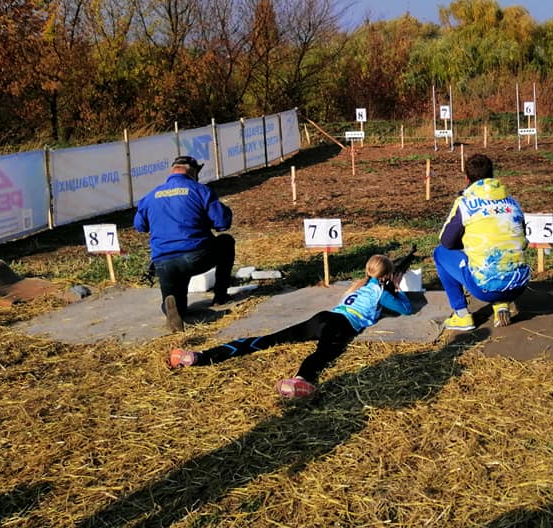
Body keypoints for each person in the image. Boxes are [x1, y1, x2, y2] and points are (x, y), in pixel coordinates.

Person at [167, 254, 413, 399]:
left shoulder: (358, 285)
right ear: (385, 276)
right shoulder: (381, 290)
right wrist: (397, 287)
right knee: (323, 354)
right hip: (343, 325)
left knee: (269, 339)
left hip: (324, 316)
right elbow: (406, 308)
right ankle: (299, 380)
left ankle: (199, 356)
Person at [133, 155, 235, 332]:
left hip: (163, 262)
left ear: (172, 171)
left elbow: (139, 226)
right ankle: (220, 297)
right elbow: (222, 224)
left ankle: (171, 310)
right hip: (196, 255)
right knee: (226, 242)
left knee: (177, 304)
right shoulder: (200, 190)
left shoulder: (150, 196)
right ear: (193, 172)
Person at [434, 153, 530, 331]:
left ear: (467, 178)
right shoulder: (513, 202)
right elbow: (523, 236)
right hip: (519, 284)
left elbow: (446, 241)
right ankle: (502, 303)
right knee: (501, 255)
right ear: (492, 176)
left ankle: (462, 315)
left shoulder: (465, 203)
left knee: (440, 253)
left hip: (484, 288)